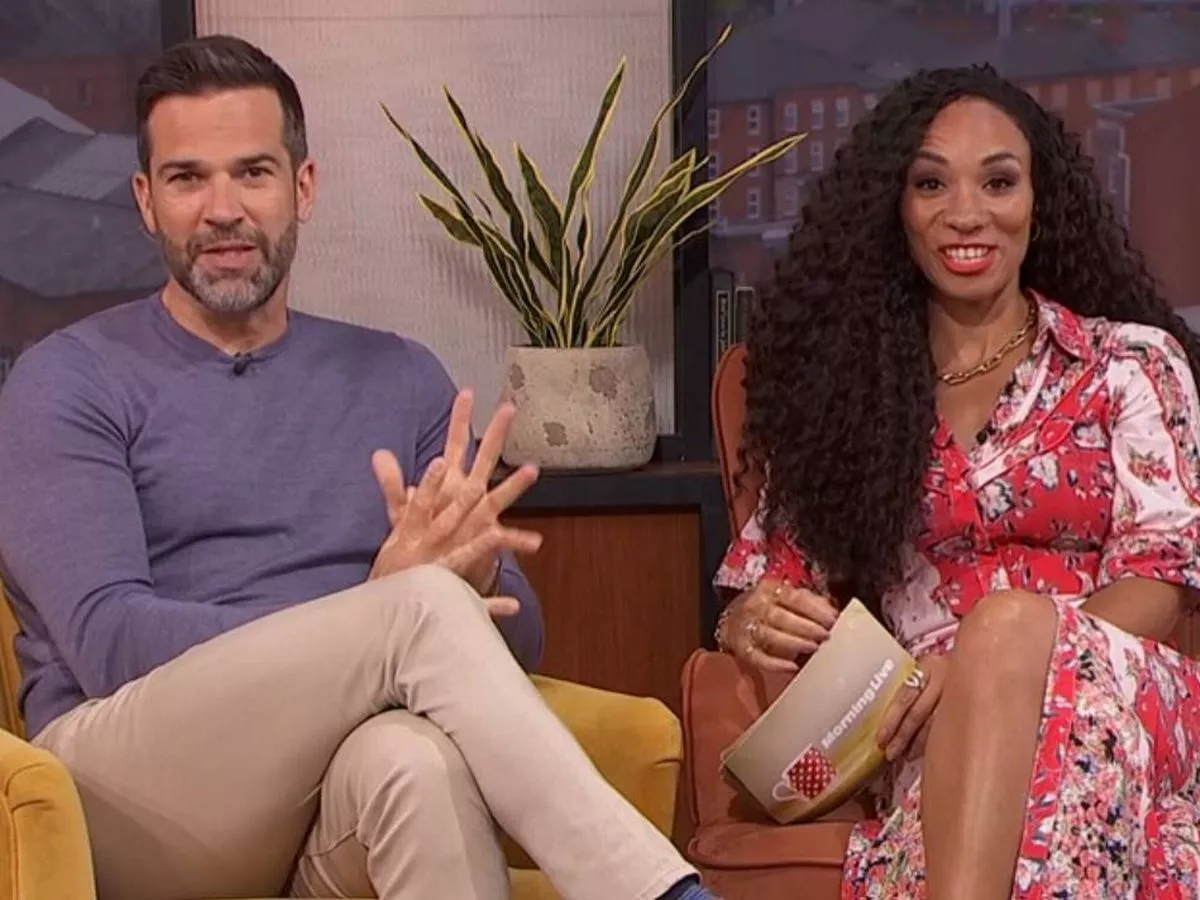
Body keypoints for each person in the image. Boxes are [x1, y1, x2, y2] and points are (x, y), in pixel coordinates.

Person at [0, 35, 719, 900]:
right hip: (129, 795)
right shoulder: (68, 378)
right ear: (146, 202)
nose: (223, 209)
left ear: (302, 188)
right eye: (188, 179)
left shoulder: (399, 376)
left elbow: (521, 638)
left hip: (323, 786)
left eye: (254, 173)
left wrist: (474, 576)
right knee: (416, 608)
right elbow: (110, 640)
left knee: (415, 762)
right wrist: (377, 612)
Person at [713, 63, 1200, 899]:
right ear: (894, 208)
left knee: (1010, 636)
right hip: (928, 723)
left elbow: (1159, 584)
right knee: (1033, 769)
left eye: (998, 182)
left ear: (1040, 201)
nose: (966, 213)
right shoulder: (843, 397)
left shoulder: (1128, 363)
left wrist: (989, 660)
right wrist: (744, 619)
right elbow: (774, 588)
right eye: (931, 183)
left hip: (1120, 690)